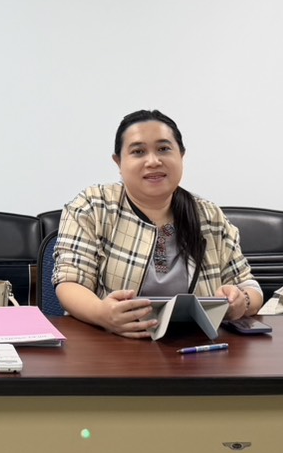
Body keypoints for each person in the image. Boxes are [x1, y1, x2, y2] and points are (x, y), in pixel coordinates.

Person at [53, 109, 262, 337]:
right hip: (113, 343)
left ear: (181, 155)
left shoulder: (209, 216)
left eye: (163, 149)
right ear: (118, 162)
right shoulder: (93, 206)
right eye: (138, 151)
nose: (153, 161)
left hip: (197, 346)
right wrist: (102, 313)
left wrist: (242, 301)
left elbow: (249, 286)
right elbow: (69, 281)